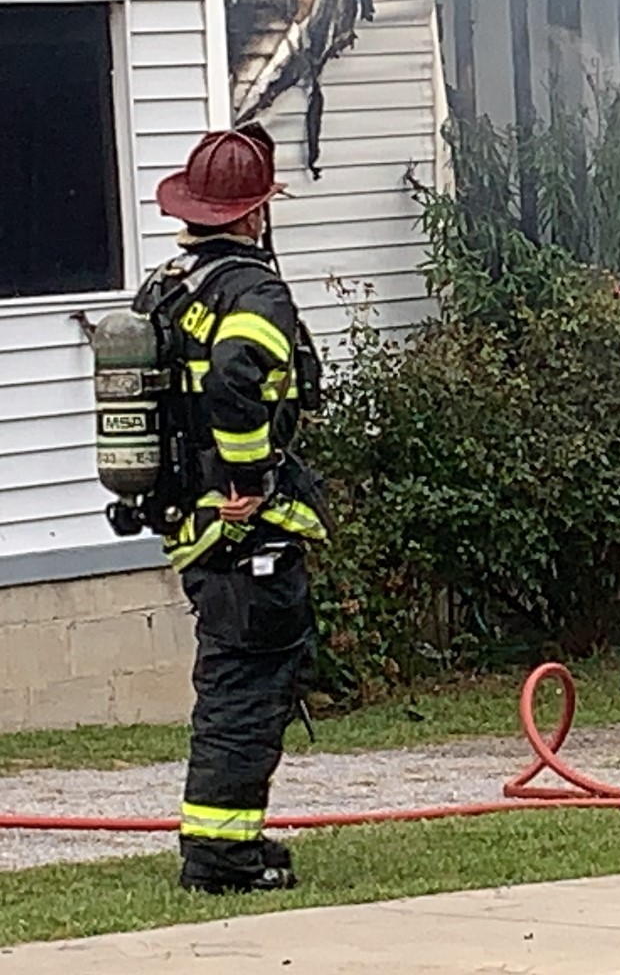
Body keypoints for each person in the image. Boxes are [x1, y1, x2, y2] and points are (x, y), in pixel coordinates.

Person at [147, 128, 329, 894]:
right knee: (248, 683)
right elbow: (233, 377)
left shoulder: (170, 288)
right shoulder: (252, 292)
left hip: (193, 523)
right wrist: (248, 475)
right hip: (241, 524)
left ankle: (230, 842)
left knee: (238, 675)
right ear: (253, 214)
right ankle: (221, 858)